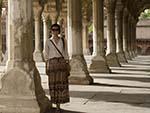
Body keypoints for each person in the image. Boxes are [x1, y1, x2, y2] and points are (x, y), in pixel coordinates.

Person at [44, 23, 70, 113]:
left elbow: (66, 53)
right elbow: (46, 55)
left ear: (59, 31)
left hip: (61, 64)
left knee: (61, 85)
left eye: (56, 29)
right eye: (53, 30)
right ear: (51, 31)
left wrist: (68, 64)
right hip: (52, 64)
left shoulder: (63, 40)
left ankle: (59, 105)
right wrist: (46, 66)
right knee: (53, 85)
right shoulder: (48, 41)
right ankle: (56, 104)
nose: (55, 31)